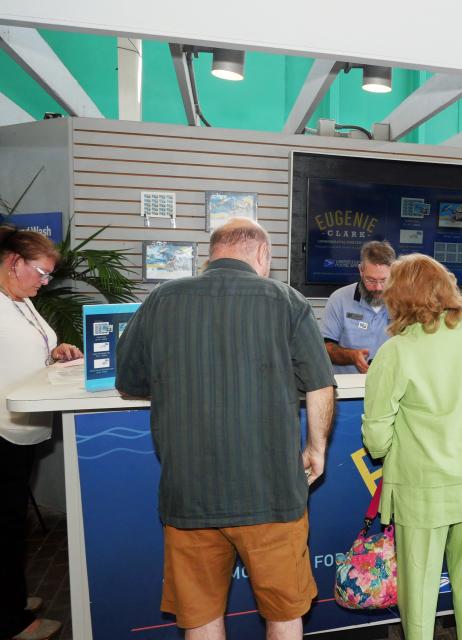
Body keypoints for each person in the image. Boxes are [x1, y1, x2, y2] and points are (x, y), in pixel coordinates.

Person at [116, 219, 336, 640]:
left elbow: (129, 382)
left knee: (199, 615)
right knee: (284, 612)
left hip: (188, 493)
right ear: (261, 255)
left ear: (211, 253)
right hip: (271, 493)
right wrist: (316, 449)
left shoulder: (161, 299)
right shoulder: (286, 300)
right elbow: (320, 384)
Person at [361, 254, 462, 640]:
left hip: (422, 490)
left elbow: (376, 433)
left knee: (419, 594)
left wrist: (398, 451)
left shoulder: (395, 352)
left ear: (399, 297)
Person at [0, 225, 81, 640]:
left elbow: (29, 351)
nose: (45, 282)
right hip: (2, 432)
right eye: (41, 272)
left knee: (13, 526)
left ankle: (12, 599)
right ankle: (13, 621)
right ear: (14, 263)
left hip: (22, 434)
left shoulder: (21, 301)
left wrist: (56, 351)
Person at [321, 240, 395, 374]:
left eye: (384, 280)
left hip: (389, 388)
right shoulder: (339, 299)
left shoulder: (404, 302)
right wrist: (351, 356)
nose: (378, 288)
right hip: (347, 389)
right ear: (361, 270)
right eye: (371, 280)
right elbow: (325, 347)